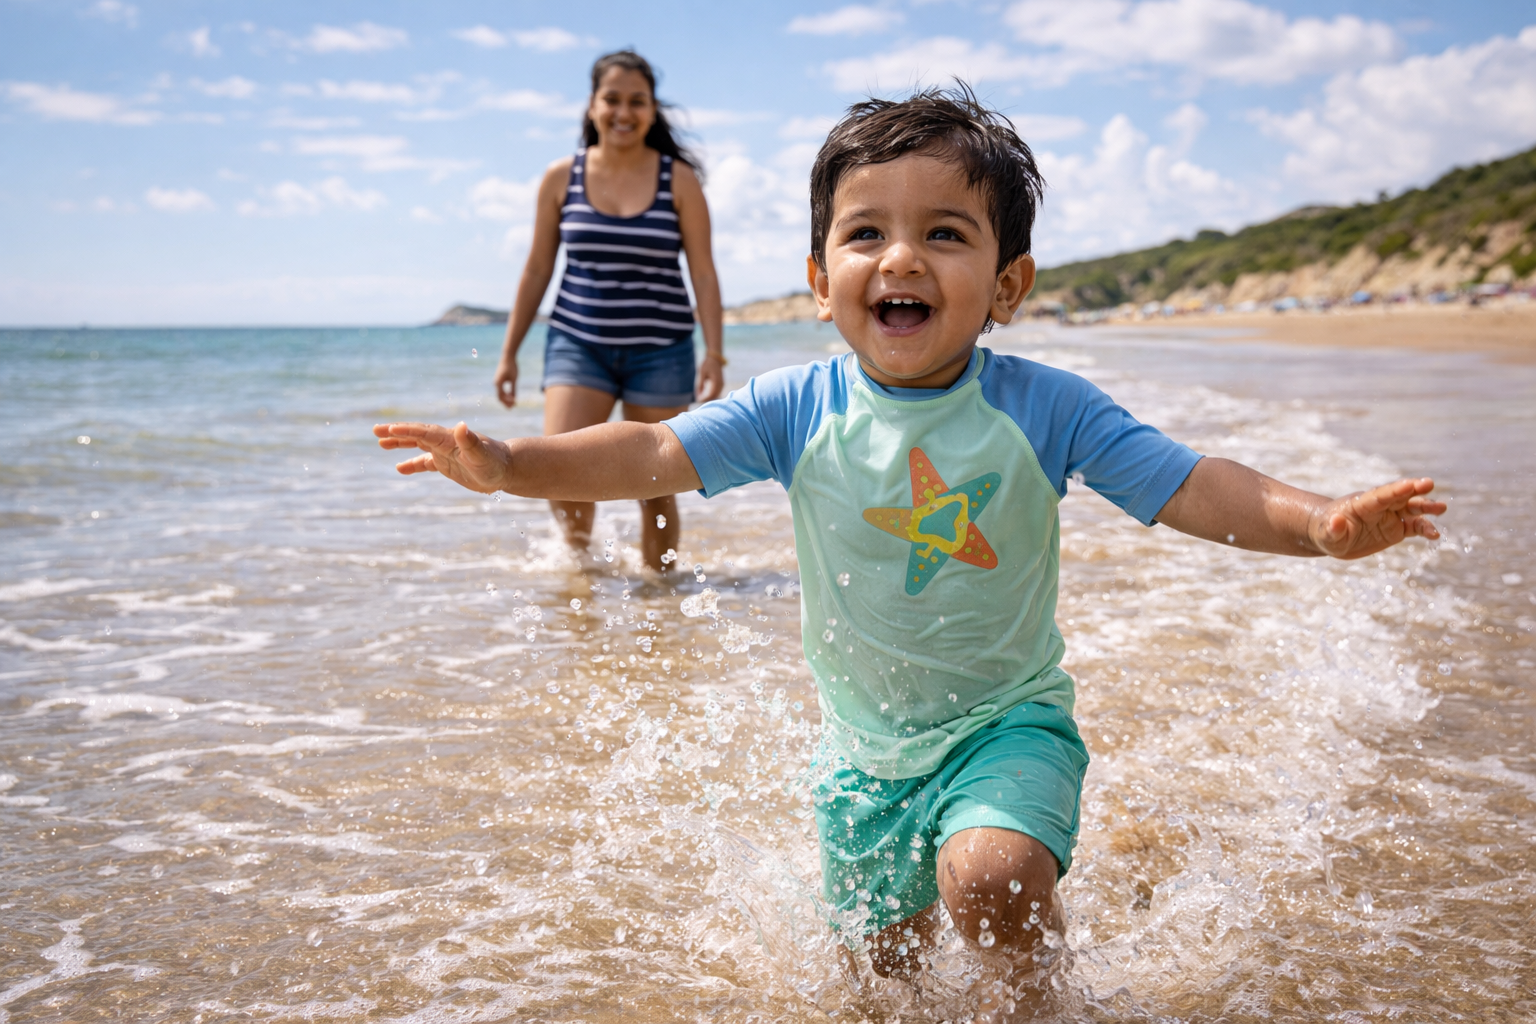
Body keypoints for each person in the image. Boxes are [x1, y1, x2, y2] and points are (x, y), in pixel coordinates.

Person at [377, 87, 1444, 1015]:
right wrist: (515, 463)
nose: (900, 256)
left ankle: (1040, 1011)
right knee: (877, 982)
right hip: (862, 757)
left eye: (944, 233)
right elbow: (654, 446)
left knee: (989, 878)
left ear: (1007, 285)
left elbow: (1191, 483)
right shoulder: (798, 407)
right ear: (818, 275)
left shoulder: (1045, 406)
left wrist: (1317, 522)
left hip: (1007, 724)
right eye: (865, 234)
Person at [492, 49, 726, 572]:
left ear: (653, 110)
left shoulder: (680, 180)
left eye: (637, 101)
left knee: (657, 484)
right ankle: (581, 585)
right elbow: (536, 271)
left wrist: (715, 353)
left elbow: (704, 274)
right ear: (592, 106)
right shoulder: (561, 178)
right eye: (612, 99)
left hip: (661, 351)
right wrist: (509, 353)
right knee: (562, 473)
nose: (624, 112)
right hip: (578, 344)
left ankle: (662, 598)